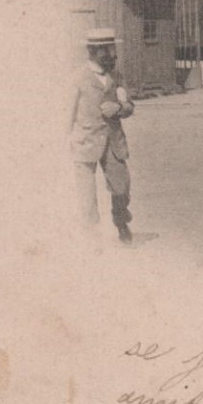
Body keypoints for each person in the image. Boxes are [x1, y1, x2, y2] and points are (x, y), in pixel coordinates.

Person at [69, 28, 135, 244]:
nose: (113, 55)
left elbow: (129, 106)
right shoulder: (78, 78)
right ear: (94, 51)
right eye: (107, 50)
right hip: (85, 142)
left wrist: (118, 107)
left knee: (122, 186)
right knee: (86, 195)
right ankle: (91, 235)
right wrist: (62, 140)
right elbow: (66, 112)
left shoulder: (116, 76)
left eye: (113, 48)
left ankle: (120, 220)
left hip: (113, 142)